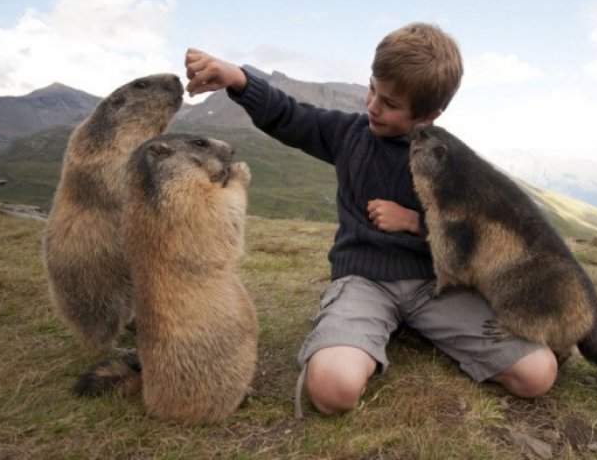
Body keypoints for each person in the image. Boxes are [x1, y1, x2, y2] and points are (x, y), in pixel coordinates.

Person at [184, 22, 558, 416]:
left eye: (391, 104)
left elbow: (482, 237)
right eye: (372, 89)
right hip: (364, 282)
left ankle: (415, 327)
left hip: (436, 287)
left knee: (537, 374)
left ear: (430, 115)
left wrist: (416, 223)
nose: (372, 106)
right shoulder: (350, 134)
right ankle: (373, 328)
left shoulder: (452, 163)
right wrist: (239, 79)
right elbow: (290, 116)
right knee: (332, 390)